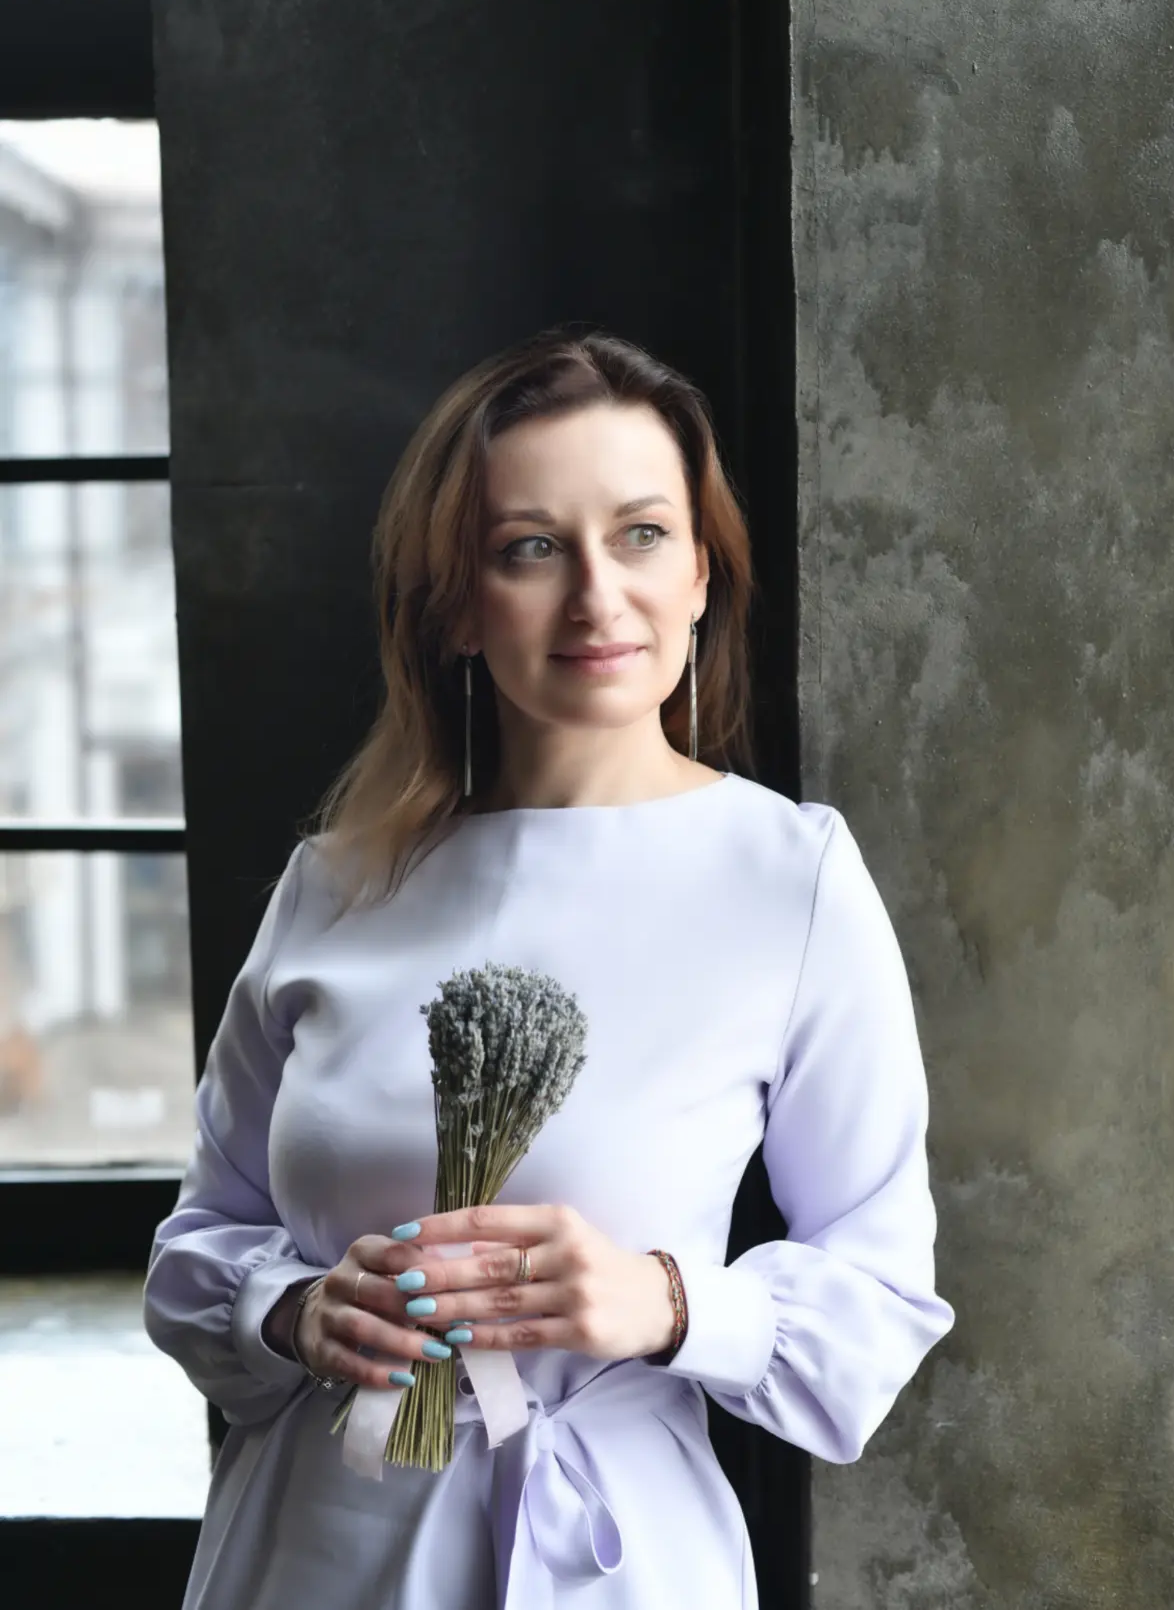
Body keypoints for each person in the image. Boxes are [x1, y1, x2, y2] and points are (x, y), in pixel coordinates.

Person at [143, 327, 955, 1609]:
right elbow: (196, 1247)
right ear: (457, 605)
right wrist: (293, 1311)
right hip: (314, 1544)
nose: (596, 597)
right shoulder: (335, 884)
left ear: (700, 573)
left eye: (641, 535)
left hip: (613, 1554)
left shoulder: (786, 880)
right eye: (530, 547)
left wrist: (663, 1303)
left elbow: (878, 1291)